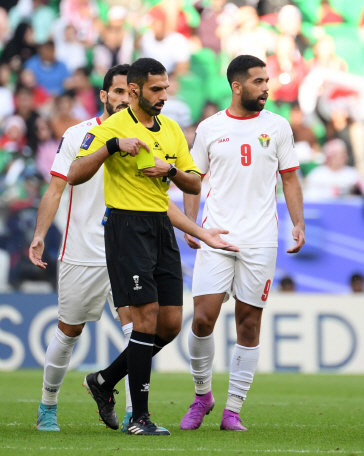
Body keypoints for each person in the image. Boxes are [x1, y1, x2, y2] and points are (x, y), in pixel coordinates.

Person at [67, 57, 235, 436]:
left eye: (165, 88)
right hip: (126, 226)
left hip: (161, 226)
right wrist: (113, 146)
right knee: (145, 318)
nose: (164, 95)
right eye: (156, 89)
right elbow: (75, 174)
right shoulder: (112, 127)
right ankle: (139, 418)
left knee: (170, 324)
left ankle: (103, 381)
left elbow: (194, 182)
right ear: (134, 90)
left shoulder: (172, 129)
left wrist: (169, 170)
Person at [180, 55, 305, 432]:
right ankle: (202, 396)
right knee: (203, 319)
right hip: (216, 236)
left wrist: (298, 223)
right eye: (258, 81)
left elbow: (290, 178)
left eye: (266, 81)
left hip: (261, 239)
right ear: (237, 86)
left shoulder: (278, 126)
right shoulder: (210, 128)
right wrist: (191, 225)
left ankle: (232, 410)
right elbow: (192, 180)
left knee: (248, 324)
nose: (266, 88)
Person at [29, 64, 133, 432]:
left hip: (127, 252)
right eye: (117, 91)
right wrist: (40, 234)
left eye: (130, 92)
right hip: (82, 250)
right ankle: (48, 406)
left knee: (138, 332)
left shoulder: (145, 135)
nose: (124, 98)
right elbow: (56, 188)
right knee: (69, 331)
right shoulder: (78, 134)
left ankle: (136, 413)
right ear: (104, 95)